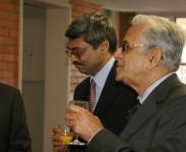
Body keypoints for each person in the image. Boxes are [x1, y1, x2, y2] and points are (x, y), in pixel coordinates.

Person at [65, 14, 186, 152]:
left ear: (153, 57)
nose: (117, 54)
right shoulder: (142, 102)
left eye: (126, 47)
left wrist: (96, 134)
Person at [52, 12, 137, 151]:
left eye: (78, 52)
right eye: (70, 52)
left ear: (103, 46)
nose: (72, 59)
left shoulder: (129, 85)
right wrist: (68, 144)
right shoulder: (82, 89)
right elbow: (83, 140)